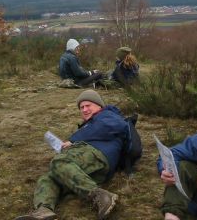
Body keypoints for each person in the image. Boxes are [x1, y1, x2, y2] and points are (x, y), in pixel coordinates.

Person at [15, 90, 128, 220]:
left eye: (88, 105)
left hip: (99, 154)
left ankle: (100, 196)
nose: (84, 109)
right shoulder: (90, 124)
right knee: (49, 177)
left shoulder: (108, 114)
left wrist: (74, 140)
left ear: (99, 105)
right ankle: (43, 209)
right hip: (94, 168)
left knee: (59, 162)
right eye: (81, 107)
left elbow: (117, 125)